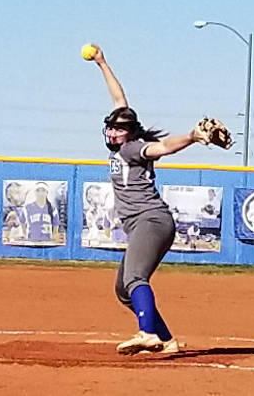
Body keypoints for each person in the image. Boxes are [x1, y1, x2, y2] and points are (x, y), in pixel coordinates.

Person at [89, 44, 210, 355]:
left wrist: (192, 137)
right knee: (124, 290)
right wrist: (102, 63)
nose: (111, 132)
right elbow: (120, 100)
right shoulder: (123, 144)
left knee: (135, 277)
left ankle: (147, 333)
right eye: (111, 127)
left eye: (117, 129)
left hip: (150, 220)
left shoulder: (132, 148)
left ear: (127, 134)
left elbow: (164, 147)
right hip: (145, 224)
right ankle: (167, 340)